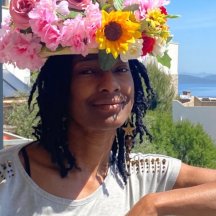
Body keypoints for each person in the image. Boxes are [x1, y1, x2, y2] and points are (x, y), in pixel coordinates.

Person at [1, 0, 216, 215]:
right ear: (59, 87)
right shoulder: (8, 178)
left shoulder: (143, 174)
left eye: (121, 69)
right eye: (88, 71)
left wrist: (153, 205)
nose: (110, 85)